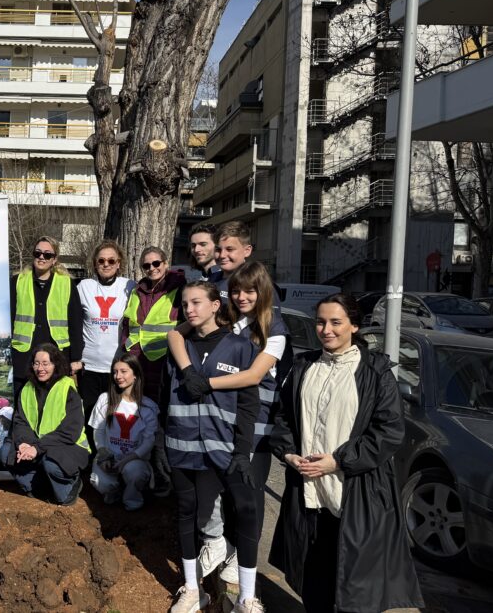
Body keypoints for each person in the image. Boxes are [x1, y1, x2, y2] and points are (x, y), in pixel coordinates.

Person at [269, 294, 423, 613]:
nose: (326, 329)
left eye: (336, 322)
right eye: (321, 322)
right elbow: (282, 418)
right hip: (309, 494)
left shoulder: (376, 371)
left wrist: (338, 460)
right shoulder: (303, 366)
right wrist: (288, 455)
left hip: (357, 497)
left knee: (356, 590)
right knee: (313, 583)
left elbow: (389, 431)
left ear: (354, 326)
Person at [168, 261, 288, 584]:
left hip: (258, 427)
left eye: (250, 290)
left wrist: (206, 383)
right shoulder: (231, 322)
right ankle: (223, 545)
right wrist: (188, 369)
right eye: (236, 290)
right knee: (218, 493)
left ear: (264, 291)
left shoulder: (274, 328)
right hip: (229, 425)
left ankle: (240, 560)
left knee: (249, 496)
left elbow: (253, 376)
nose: (242, 296)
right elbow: (177, 334)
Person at [166, 281, 265, 613]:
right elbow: (167, 392)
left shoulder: (240, 347)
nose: (189, 309)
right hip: (181, 445)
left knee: (247, 510)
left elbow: (250, 403)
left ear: (215, 305)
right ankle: (193, 590)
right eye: (184, 304)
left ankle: (247, 597)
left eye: (196, 302)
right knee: (186, 514)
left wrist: (243, 449)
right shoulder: (179, 344)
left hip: (224, 447)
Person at [8, 343, 90, 505]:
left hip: (66, 446)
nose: (40, 368)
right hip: (37, 446)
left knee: (52, 465)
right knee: (7, 453)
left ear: (55, 364)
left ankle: (70, 488)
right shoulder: (27, 389)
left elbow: (70, 431)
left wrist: (36, 448)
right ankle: (40, 488)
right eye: (36, 363)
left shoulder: (67, 388)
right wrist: (23, 443)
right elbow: (20, 422)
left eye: (46, 363)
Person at [76, 240, 135, 461]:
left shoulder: (129, 286)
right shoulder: (84, 287)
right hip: (89, 365)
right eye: (101, 260)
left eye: (111, 260)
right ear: (95, 263)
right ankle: (93, 460)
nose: (106, 264)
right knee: (90, 416)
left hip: (117, 366)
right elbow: (75, 323)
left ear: (119, 263)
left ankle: (117, 460)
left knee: (116, 417)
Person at [9, 236, 84, 399]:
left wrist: (76, 358)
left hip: (57, 358)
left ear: (55, 259)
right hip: (24, 358)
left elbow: (76, 322)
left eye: (47, 254)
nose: (42, 257)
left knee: (53, 410)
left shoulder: (67, 283)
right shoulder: (17, 282)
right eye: (38, 253)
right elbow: (9, 317)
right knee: (23, 410)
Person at [88, 354, 158, 511]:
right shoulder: (104, 400)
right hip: (109, 457)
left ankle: (132, 498)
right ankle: (114, 491)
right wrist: (103, 453)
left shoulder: (148, 407)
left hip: (133, 459)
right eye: (114, 372)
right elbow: (98, 432)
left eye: (123, 371)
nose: (118, 376)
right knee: (101, 484)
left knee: (135, 473)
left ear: (135, 375)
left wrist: (127, 460)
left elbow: (148, 442)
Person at [121, 245, 185, 403]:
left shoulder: (179, 289)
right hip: (136, 359)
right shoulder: (137, 290)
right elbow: (128, 324)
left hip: (164, 360)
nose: (152, 268)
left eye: (156, 263)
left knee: (160, 408)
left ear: (165, 263)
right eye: (146, 265)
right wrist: (126, 349)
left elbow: (186, 323)